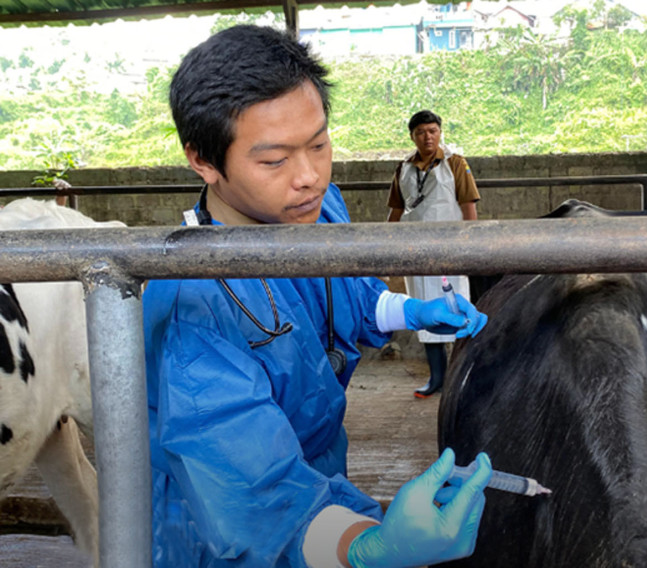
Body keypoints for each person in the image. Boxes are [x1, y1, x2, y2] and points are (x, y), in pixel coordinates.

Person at [143, 25, 493, 567]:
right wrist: (372, 548)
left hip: (325, 479)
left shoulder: (317, 207)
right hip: (232, 529)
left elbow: (345, 296)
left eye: (319, 144)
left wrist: (411, 310)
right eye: (274, 160)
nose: (309, 176)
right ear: (204, 161)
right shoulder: (192, 304)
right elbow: (254, 496)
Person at [386, 110, 481, 398]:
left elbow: (468, 206)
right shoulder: (403, 168)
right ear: (412, 136)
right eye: (420, 132)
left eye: (432, 131)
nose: (427, 137)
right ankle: (436, 377)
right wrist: (385, 246)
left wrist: (471, 244)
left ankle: (461, 379)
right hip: (415, 252)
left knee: (456, 310)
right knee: (424, 312)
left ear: (440, 132)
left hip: (450, 250)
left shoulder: (455, 163)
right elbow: (397, 210)